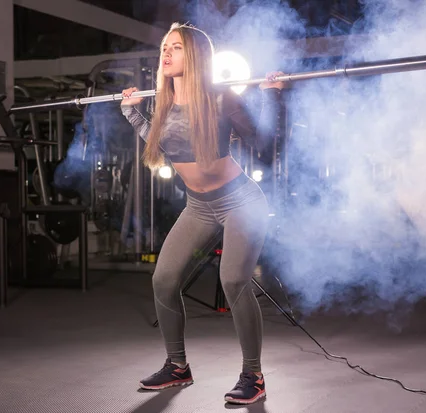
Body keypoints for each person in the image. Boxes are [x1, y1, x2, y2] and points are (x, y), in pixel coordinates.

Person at [120, 22, 285, 405]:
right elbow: (163, 144)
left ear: (194, 55)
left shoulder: (220, 98)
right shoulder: (162, 102)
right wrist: (132, 114)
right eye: (165, 46)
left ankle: (253, 375)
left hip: (240, 201)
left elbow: (263, 144)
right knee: (163, 280)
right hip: (199, 206)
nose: (166, 53)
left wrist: (271, 97)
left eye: (175, 47)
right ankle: (177, 366)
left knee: (233, 281)